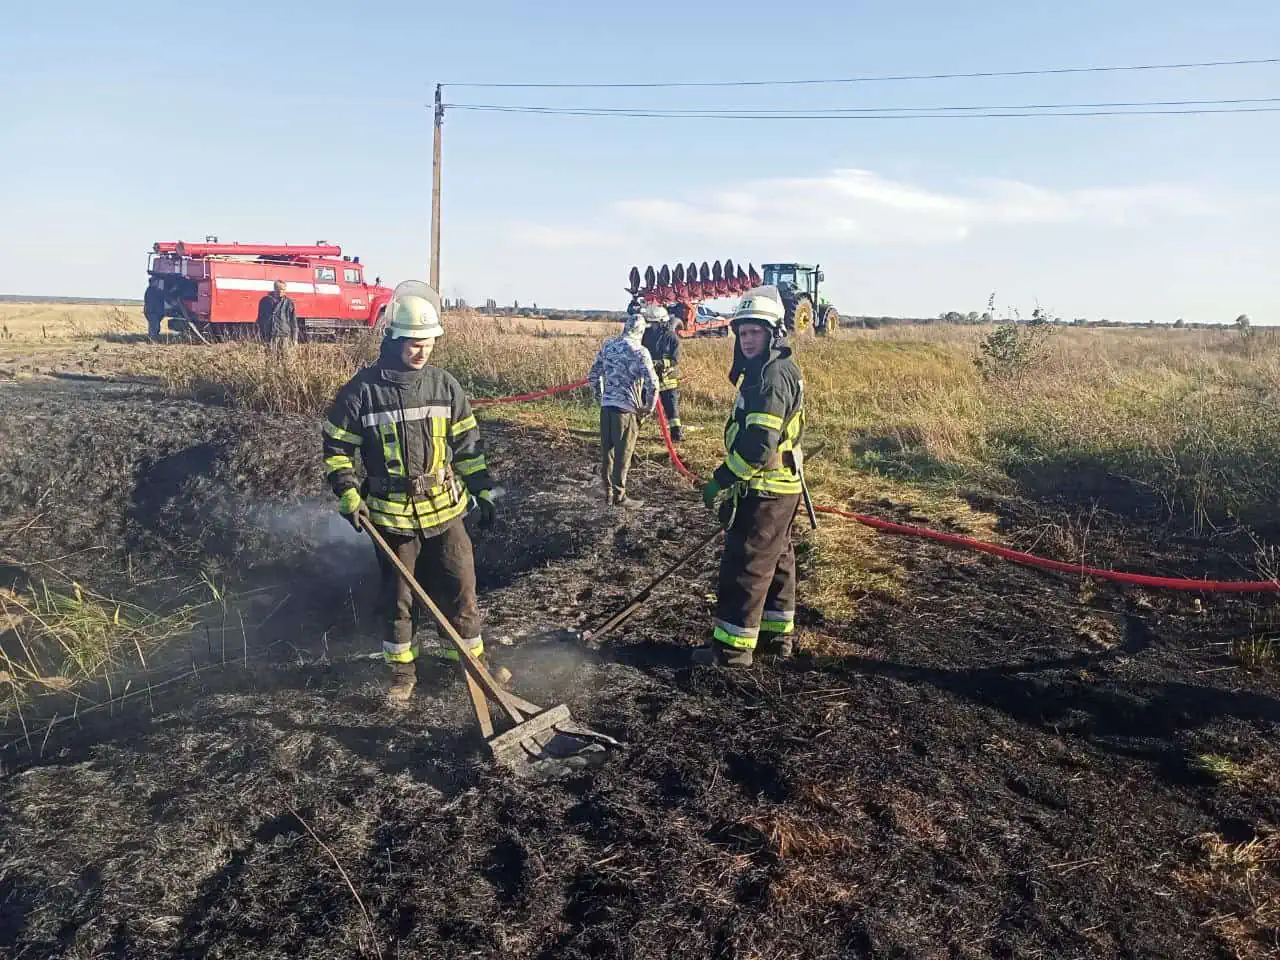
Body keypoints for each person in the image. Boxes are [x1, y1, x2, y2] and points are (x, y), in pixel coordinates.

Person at [321, 281, 501, 703]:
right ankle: (402, 675)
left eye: (428, 343)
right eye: (413, 344)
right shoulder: (362, 391)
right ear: (393, 339)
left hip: (446, 510)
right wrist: (348, 492)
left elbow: (468, 447)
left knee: (463, 590)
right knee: (399, 601)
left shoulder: (445, 386)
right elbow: (336, 448)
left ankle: (473, 668)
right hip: (391, 516)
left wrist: (484, 490)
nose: (422, 351)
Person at [694, 285, 805, 668]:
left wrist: (721, 479)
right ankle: (776, 640)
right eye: (742, 332)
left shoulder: (770, 379)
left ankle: (732, 649)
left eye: (755, 331)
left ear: (773, 332)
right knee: (777, 560)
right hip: (781, 488)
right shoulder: (772, 369)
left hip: (766, 490)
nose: (747, 339)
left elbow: (759, 447)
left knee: (747, 565)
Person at [588, 305, 660, 508]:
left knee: (607, 453)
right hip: (626, 411)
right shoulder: (640, 352)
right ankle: (619, 496)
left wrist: (600, 396)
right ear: (641, 331)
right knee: (623, 454)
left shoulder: (609, 346)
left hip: (606, 408)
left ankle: (608, 492)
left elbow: (593, 375)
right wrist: (648, 408)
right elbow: (653, 384)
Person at [641, 304, 683, 442]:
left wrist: (658, 364)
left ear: (662, 323)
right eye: (649, 323)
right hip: (648, 379)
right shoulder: (645, 335)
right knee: (641, 405)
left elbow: (675, 360)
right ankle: (633, 430)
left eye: (654, 323)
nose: (651, 326)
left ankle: (676, 435)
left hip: (667, 380)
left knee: (671, 409)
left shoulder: (672, 338)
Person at [257, 279, 299, 344]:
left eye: (283, 289)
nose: (281, 291)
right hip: (269, 335)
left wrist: (295, 339)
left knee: (285, 354)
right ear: (274, 288)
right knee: (270, 354)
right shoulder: (264, 301)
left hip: (284, 336)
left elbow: (293, 322)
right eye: (279, 289)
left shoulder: (289, 303)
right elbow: (260, 319)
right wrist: (259, 335)